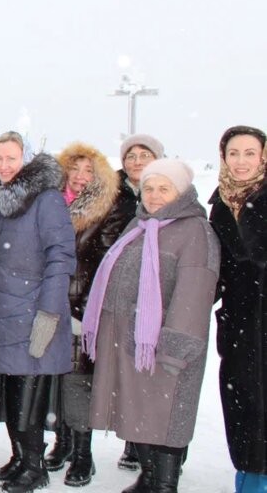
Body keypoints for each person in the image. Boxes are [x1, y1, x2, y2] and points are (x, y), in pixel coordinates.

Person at [83, 159, 220, 493]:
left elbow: (194, 294)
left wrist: (175, 350)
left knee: (166, 418)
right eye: (149, 188)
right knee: (138, 414)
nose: (155, 196)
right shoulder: (140, 224)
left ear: (182, 191)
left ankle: (164, 485)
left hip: (166, 348)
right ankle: (149, 476)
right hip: (133, 345)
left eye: (164, 188)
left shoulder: (194, 231)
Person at [0, 132, 76, 493]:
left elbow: (60, 258)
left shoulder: (46, 200)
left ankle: (34, 466)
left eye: (12, 158)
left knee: (28, 397)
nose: (4, 165)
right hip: (0, 314)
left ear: (27, 160)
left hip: (32, 314)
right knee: (13, 394)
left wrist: (49, 314)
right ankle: (20, 457)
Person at [43, 141, 126, 487]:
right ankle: (61, 442)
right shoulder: (49, 204)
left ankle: (82, 454)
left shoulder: (108, 207)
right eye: (73, 169)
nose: (79, 176)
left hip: (83, 305)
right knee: (54, 378)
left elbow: (109, 260)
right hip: (49, 303)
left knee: (78, 381)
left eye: (87, 170)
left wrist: (86, 307)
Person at [208, 126, 267, 493]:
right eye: (234, 153)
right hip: (239, 323)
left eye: (249, 153)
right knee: (242, 403)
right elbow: (218, 268)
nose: (241, 161)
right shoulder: (219, 204)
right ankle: (247, 477)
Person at [111, 132, 165, 472]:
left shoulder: (167, 193)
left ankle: (157, 450)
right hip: (123, 289)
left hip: (156, 293)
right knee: (128, 370)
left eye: (145, 156)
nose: (137, 162)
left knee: (155, 373)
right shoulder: (114, 194)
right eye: (131, 156)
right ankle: (134, 441)